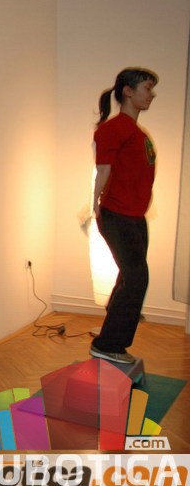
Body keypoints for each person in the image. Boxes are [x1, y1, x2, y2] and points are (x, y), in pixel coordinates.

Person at [90, 67, 158, 364]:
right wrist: (95, 204)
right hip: (118, 215)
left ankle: (114, 322)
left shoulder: (136, 132)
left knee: (130, 277)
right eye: (147, 88)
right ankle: (108, 344)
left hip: (135, 216)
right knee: (137, 279)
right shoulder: (113, 129)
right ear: (128, 91)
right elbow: (103, 169)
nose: (152, 95)